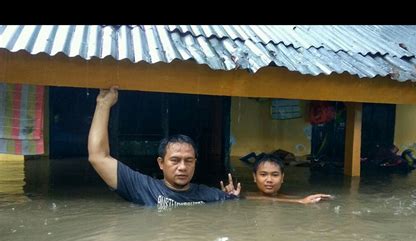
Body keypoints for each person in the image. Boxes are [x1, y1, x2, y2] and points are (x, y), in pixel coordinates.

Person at [88, 86, 240, 208]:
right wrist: (103, 104)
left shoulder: (211, 195)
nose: (182, 167)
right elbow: (98, 157)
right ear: (161, 163)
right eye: (175, 160)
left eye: (188, 161)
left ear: (195, 163)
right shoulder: (143, 187)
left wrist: (233, 199)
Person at [222, 153, 332, 204]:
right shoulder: (244, 196)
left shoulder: (289, 197)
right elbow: (262, 199)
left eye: (275, 175)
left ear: (282, 178)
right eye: (263, 174)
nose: (269, 180)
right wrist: (230, 197)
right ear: (254, 177)